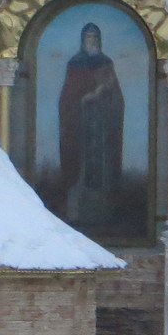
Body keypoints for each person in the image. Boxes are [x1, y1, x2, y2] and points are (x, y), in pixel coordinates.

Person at [58, 20, 125, 227]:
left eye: (95, 37)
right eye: (88, 37)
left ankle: (103, 213)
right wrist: (85, 98)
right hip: (80, 127)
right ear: (82, 40)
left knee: (102, 171)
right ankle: (75, 213)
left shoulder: (106, 63)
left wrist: (105, 97)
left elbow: (116, 97)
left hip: (101, 129)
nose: (92, 40)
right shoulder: (75, 64)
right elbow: (68, 96)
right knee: (78, 167)